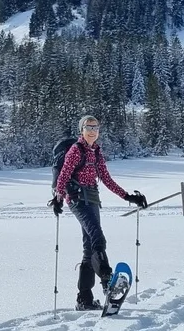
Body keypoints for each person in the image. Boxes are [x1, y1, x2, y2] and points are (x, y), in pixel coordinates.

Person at [50, 115, 147, 311]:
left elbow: (107, 180)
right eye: (88, 127)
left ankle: (84, 299)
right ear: (82, 130)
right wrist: (58, 198)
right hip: (78, 200)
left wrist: (128, 197)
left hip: (93, 200)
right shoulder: (76, 151)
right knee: (97, 237)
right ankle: (107, 280)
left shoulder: (96, 153)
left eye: (95, 127)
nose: (93, 131)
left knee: (89, 249)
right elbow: (64, 175)